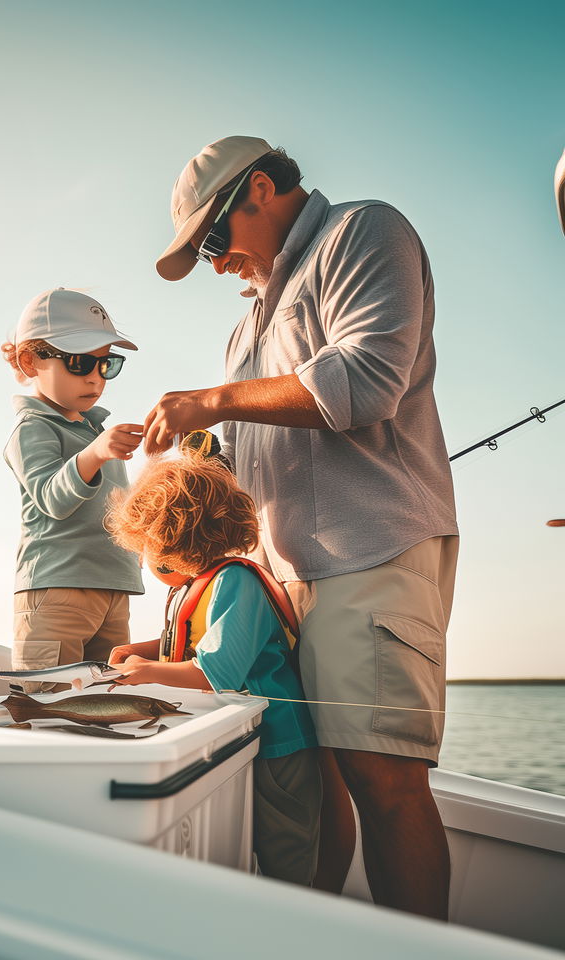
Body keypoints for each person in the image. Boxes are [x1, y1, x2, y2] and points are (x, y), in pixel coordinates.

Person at [145, 136, 459, 920]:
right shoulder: (245, 325)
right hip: (284, 586)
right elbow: (256, 444)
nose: (214, 264)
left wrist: (213, 401)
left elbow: (365, 381)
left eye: (212, 241)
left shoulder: (363, 233)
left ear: (259, 189)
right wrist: (208, 453)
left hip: (368, 557)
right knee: (318, 783)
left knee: (384, 783)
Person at [105, 449, 321, 886]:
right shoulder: (198, 585)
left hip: (279, 748)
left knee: (285, 859)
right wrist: (138, 651)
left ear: (171, 541)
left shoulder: (235, 581)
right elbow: (184, 646)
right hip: (243, 740)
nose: (143, 558)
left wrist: (145, 671)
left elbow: (213, 672)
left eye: (144, 546)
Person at [2, 287, 145, 689]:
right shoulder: (33, 427)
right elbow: (51, 497)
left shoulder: (94, 430)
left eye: (106, 365)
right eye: (80, 363)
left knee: (106, 703)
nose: (96, 379)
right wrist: (97, 452)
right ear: (30, 361)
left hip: (113, 590)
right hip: (57, 589)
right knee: (50, 709)